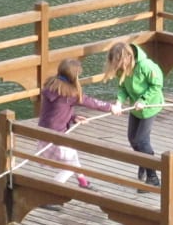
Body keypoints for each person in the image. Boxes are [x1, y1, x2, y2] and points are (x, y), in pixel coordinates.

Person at [37, 58, 120, 189]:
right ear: (74, 76)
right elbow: (91, 102)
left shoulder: (51, 85)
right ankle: (50, 192)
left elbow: (54, 112)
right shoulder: (70, 93)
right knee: (69, 166)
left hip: (43, 134)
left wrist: (72, 117)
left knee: (72, 157)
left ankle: (83, 182)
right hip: (56, 138)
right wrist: (111, 107)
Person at [103, 42, 164, 189]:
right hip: (135, 108)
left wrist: (144, 99)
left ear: (128, 57)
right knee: (133, 139)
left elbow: (157, 84)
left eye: (119, 63)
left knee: (141, 140)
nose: (118, 67)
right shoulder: (122, 69)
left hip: (149, 106)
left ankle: (153, 178)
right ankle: (144, 160)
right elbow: (123, 87)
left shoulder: (146, 66)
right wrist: (119, 102)